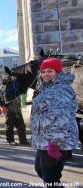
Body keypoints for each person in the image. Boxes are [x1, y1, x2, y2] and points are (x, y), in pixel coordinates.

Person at [30, 58, 79, 187]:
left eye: (50, 71)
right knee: (41, 170)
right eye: (44, 71)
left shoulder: (60, 90)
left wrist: (55, 144)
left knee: (50, 178)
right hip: (43, 139)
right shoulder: (47, 88)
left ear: (58, 72)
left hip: (53, 142)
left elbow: (63, 118)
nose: (46, 74)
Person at [1, 72, 29, 146]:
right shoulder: (6, 84)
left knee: (21, 125)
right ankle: (10, 140)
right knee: (9, 125)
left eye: (15, 76)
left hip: (17, 107)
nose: (14, 78)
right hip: (9, 108)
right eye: (13, 76)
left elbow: (22, 91)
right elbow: (2, 95)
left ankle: (23, 140)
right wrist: (4, 106)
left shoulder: (17, 83)